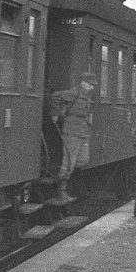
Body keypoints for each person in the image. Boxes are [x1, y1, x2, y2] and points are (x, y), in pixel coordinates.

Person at [49, 71, 97, 204]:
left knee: (83, 160)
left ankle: (64, 183)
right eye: (90, 84)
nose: (92, 87)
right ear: (83, 83)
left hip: (82, 132)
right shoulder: (73, 93)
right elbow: (55, 96)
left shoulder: (85, 95)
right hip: (71, 132)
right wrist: (55, 114)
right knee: (69, 163)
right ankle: (61, 192)